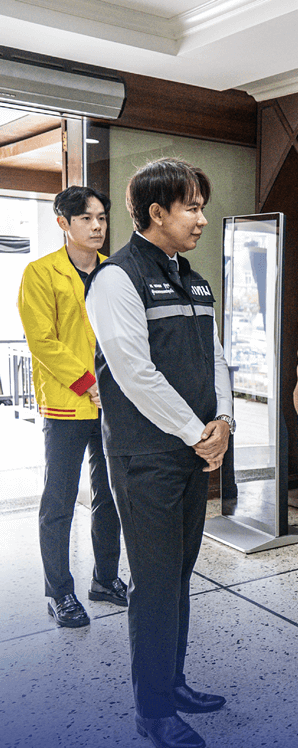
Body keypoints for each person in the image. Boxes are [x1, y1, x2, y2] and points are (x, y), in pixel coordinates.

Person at [85, 158, 233, 748]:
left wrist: (224, 421)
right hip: (147, 455)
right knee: (153, 582)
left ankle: (172, 681)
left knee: (178, 574)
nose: (202, 219)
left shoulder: (194, 280)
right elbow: (134, 372)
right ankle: (153, 709)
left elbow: (217, 357)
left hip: (193, 450)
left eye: (202, 207)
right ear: (156, 212)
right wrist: (199, 432)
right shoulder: (116, 278)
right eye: (191, 207)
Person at [17, 186, 125, 628]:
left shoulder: (114, 272)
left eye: (102, 218)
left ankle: (105, 580)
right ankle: (60, 593)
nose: (97, 226)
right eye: (86, 219)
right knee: (59, 502)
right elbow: (42, 341)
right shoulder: (41, 273)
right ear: (63, 223)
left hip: (112, 405)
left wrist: (115, 385)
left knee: (111, 496)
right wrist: (89, 384)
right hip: (67, 405)